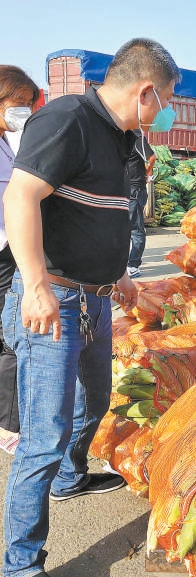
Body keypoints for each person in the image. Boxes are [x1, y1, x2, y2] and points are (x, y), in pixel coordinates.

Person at [1, 39, 180, 577]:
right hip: (54, 302)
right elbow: (21, 198)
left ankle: (69, 479)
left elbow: (97, 215)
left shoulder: (122, 135)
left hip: (97, 299)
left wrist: (120, 277)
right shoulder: (67, 119)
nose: (165, 111)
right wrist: (35, 285)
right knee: (43, 434)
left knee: (95, 400)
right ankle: (21, 562)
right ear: (145, 91)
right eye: (166, 99)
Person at [0, 66, 41, 456]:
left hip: (9, 248)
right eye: (19, 104)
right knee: (10, 338)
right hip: (2, 252)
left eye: (29, 105)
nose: (24, 112)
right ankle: (7, 426)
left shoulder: (9, 143)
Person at [126, 129, 155, 278]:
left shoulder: (137, 137)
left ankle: (133, 266)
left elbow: (151, 157)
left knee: (136, 230)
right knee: (124, 229)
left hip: (135, 190)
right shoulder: (122, 137)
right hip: (125, 190)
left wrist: (146, 173)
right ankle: (126, 264)